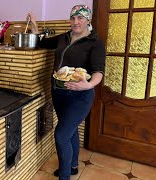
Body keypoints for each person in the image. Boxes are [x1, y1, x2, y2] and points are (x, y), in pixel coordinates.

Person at [28, 4, 105, 180]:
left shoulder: (95, 43)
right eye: (73, 18)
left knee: (61, 135)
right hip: (59, 94)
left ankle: (65, 176)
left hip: (80, 96)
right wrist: (34, 25)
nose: (76, 22)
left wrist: (89, 85)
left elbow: (99, 71)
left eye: (80, 18)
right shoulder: (64, 37)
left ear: (88, 20)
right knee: (70, 131)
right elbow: (41, 42)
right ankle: (73, 166)